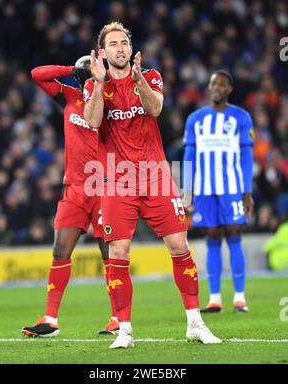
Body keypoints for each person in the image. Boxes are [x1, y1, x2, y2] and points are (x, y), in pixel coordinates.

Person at [83, 21, 222, 348]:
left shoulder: (151, 76)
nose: (120, 48)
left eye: (124, 43)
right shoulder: (94, 86)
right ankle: (125, 331)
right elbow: (91, 121)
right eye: (113, 44)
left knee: (179, 246)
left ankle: (195, 323)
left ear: (130, 49)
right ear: (102, 52)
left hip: (156, 176)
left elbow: (156, 108)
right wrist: (101, 82)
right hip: (117, 180)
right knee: (118, 251)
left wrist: (138, 80)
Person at [22, 56, 119, 337]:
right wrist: (69, 69)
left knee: (108, 252)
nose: (87, 69)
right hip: (75, 189)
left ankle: (117, 319)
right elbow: (37, 73)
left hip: (104, 187)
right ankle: (50, 320)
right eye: (83, 67)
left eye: (91, 66)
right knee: (60, 250)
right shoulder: (70, 96)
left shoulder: (107, 99)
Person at [182, 70, 254, 314]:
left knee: (234, 235)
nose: (217, 87)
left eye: (222, 84)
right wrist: (187, 189)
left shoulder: (241, 117)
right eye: (213, 83)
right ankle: (214, 298)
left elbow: (246, 156)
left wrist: (247, 191)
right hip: (204, 189)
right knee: (212, 237)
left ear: (229, 89)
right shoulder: (195, 119)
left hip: (232, 188)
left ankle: (240, 297)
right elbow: (189, 156)